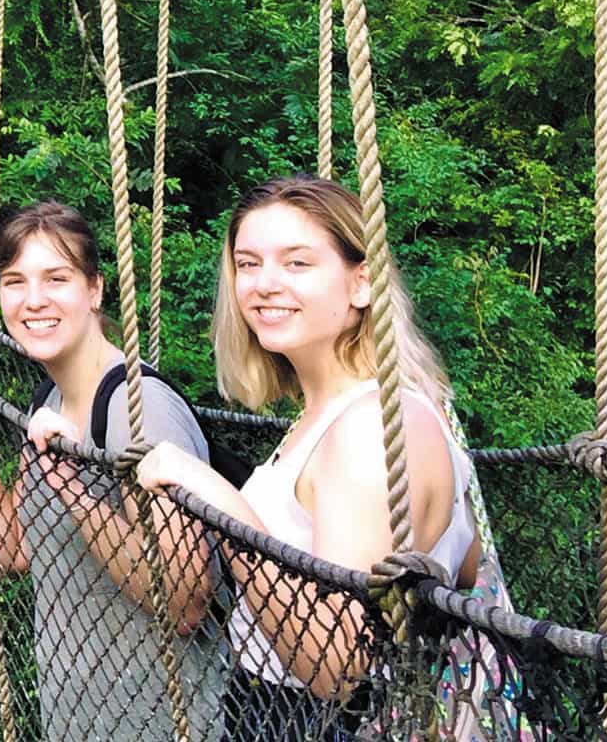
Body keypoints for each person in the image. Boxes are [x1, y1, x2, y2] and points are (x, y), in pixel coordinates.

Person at [134, 175, 482, 741]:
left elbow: (339, 665)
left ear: (362, 283)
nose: (264, 285)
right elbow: (463, 566)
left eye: (297, 263)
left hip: (317, 722)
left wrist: (219, 503)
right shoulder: (359, 409)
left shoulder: (370, 426)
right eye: (248, 264)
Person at [0, 201, 225, 741]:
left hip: (159, 722)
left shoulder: (138, 409)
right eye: (14, 280)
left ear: (95, 290)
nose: (33, 300)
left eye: (57, 278)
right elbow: (14, 549)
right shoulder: (52, 395)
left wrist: (69, 481)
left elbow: (185, 602)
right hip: (76, 713)